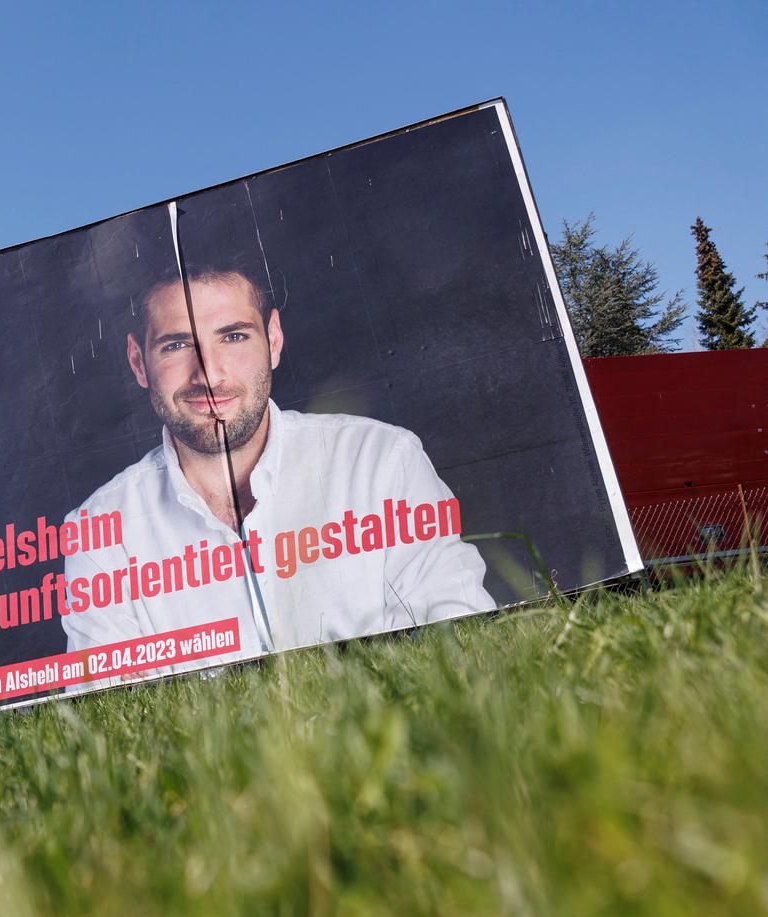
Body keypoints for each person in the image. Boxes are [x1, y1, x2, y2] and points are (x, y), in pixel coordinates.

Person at [61, 244, 494, 667]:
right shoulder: (98, 533)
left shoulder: (381, 460)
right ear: (138, 362)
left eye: (233, 336)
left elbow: (463, 647)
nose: (208, 374)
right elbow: (111, 705)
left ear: (273, 339)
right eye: (176, 345)